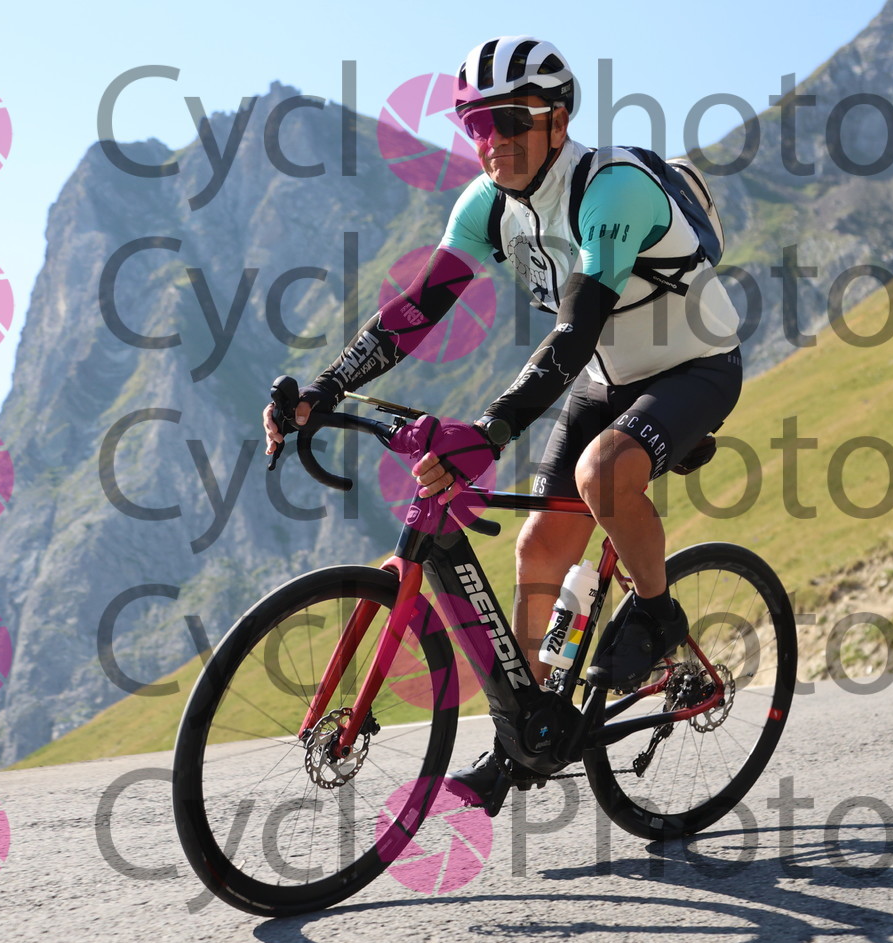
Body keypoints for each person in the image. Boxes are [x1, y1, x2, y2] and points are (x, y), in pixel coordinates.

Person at [263, 35, 743, 814]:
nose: (493, 141)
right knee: (538, 548)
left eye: (512, 120)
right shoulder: (486, 206)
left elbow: (577, 328)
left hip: (696, 365)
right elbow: (417, 309)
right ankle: (523, 737)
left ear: (558, 120)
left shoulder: (611, 190)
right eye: (476, 124)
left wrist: (490, 431)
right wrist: (325, 388)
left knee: (601, 476)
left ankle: (658, 616)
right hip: (608, 377)